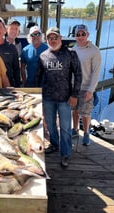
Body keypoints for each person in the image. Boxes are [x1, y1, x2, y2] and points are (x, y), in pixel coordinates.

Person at [35, 27, 82, 167]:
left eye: (55, 37)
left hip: (65, 98)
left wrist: (75, 94)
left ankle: (66, 153)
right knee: (50, 125)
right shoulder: (43, 55)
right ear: (47, 40)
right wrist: (37, 95)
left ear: (60, 38)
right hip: (48, 97)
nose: (53, 40)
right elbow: (38, 77)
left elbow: (78, 75)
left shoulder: (70, 54)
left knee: (66, 127)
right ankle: (54, 144)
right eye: (50, 38)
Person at [71, 24, 101, 146]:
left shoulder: (94, 50)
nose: (81, 37)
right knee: (75, 110)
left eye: (83, 34)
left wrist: (90, 90)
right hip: (74, 87)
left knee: (86, 113)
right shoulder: (73, 49)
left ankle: (87, 132)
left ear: (87, 35)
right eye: (78, 34)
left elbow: (96, 72)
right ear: (75, 36)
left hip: (86, 88)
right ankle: (75, 129)